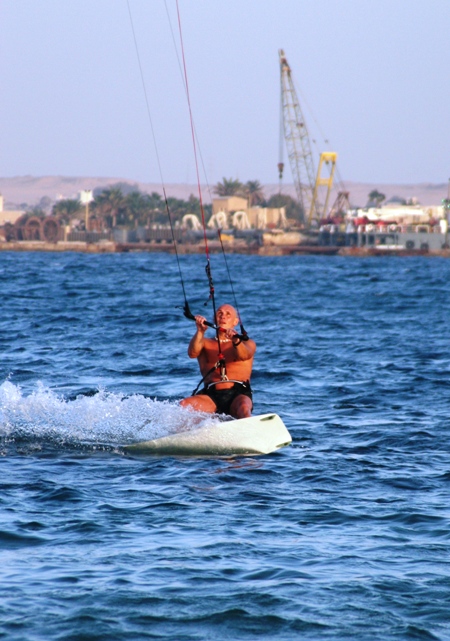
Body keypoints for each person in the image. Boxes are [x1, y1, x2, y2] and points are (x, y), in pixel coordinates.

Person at [180, 304, 256, 418]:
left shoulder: (246, 342)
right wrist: (200, 331)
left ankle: (252, 431)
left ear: (236, 321)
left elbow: (244, 355)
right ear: (214, 319)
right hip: (211, 395)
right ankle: (180, 434)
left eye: (228, 314)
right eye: (219, 313)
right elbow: (192, 353)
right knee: (184, 405)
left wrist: (236, 341)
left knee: (244, 407)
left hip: (238, 394)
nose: (223, 316)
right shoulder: (204, 342)